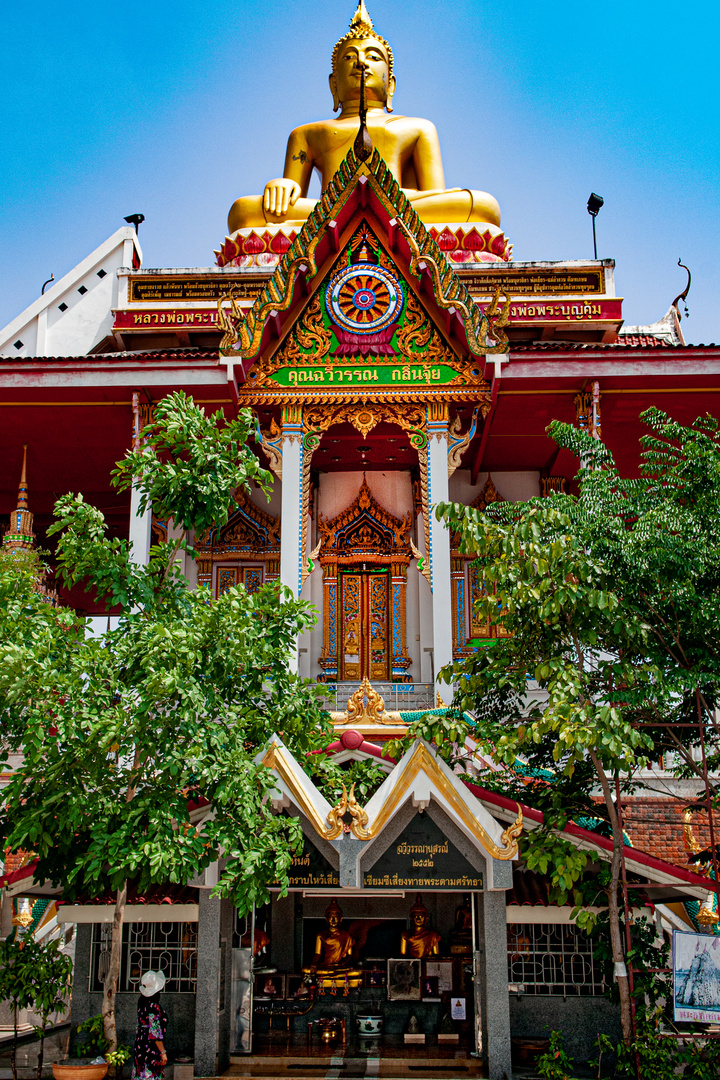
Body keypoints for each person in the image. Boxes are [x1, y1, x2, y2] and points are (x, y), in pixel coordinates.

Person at [227, 0, 501, 231]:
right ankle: (365, 208)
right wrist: (282, 186)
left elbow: (436, 197)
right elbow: (289, 197)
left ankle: (373, 206)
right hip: (329, 213)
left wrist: (384, 199)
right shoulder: (306, 134)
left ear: (390, 84)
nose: (361, 63)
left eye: (373, 56)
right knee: (243, 211)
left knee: (482, 205)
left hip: (398, 209)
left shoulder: (417, 128)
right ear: (334, 85)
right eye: (349, 57)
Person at [131, 970, 168, 1080]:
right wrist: (163, 1052)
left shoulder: (142, 1003)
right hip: (151, 1048)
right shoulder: (153, 1007)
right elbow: (154, 1032)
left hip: (140, 1045)